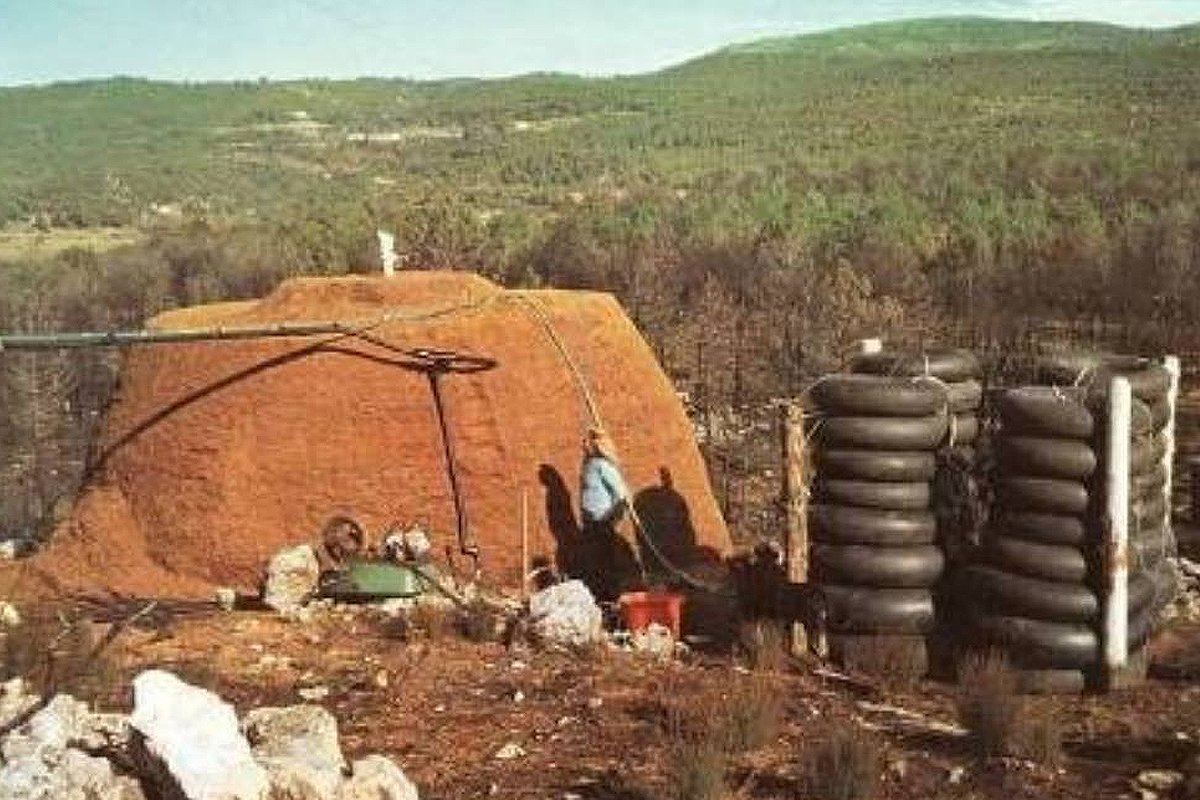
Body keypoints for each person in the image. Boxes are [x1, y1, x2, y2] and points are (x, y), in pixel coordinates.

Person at [578, 426, 640, 601]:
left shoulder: (602, 466)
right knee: (594, 565)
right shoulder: (588, 465)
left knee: (604, 565)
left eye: (588, 441)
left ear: (596, 444)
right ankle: (599, 600)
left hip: (602, 522)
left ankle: (609, 601)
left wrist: (612, 518)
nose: (584, 444)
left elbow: (622, 495)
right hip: (591, 524)